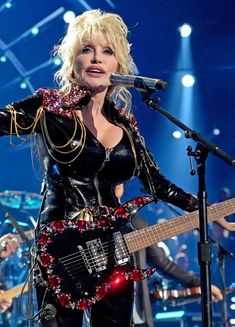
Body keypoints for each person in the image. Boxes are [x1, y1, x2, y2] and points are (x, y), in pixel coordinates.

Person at [0, 9, 234, 327]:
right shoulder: (48, 107)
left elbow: (157, 184)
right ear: (72, 61)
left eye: (107, 51)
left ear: (118, 65)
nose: (97, 58)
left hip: (114, 249)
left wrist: (203, 209)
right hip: (60, 253)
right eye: (86, 49)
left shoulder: (127, 125)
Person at [115, 184, 223, 327]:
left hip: (136, 314)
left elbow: (163, 263)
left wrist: (202, 284)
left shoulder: (135, 222)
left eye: (120, 179)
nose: (118, 183)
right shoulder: (83, 224)